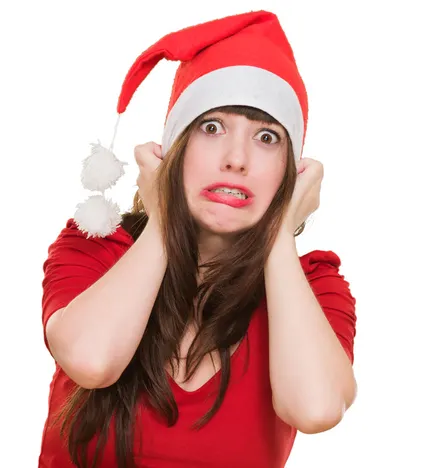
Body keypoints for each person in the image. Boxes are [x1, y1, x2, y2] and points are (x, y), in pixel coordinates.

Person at [38, 10, 357, 468]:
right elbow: (92, 360)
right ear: (173, 146)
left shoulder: (314, 288)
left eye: (267, 137)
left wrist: (281, 237)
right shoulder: (96, 247)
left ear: (292, 173)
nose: (237, 159)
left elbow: (315, 408)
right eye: (212, 127)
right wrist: (166, 221)